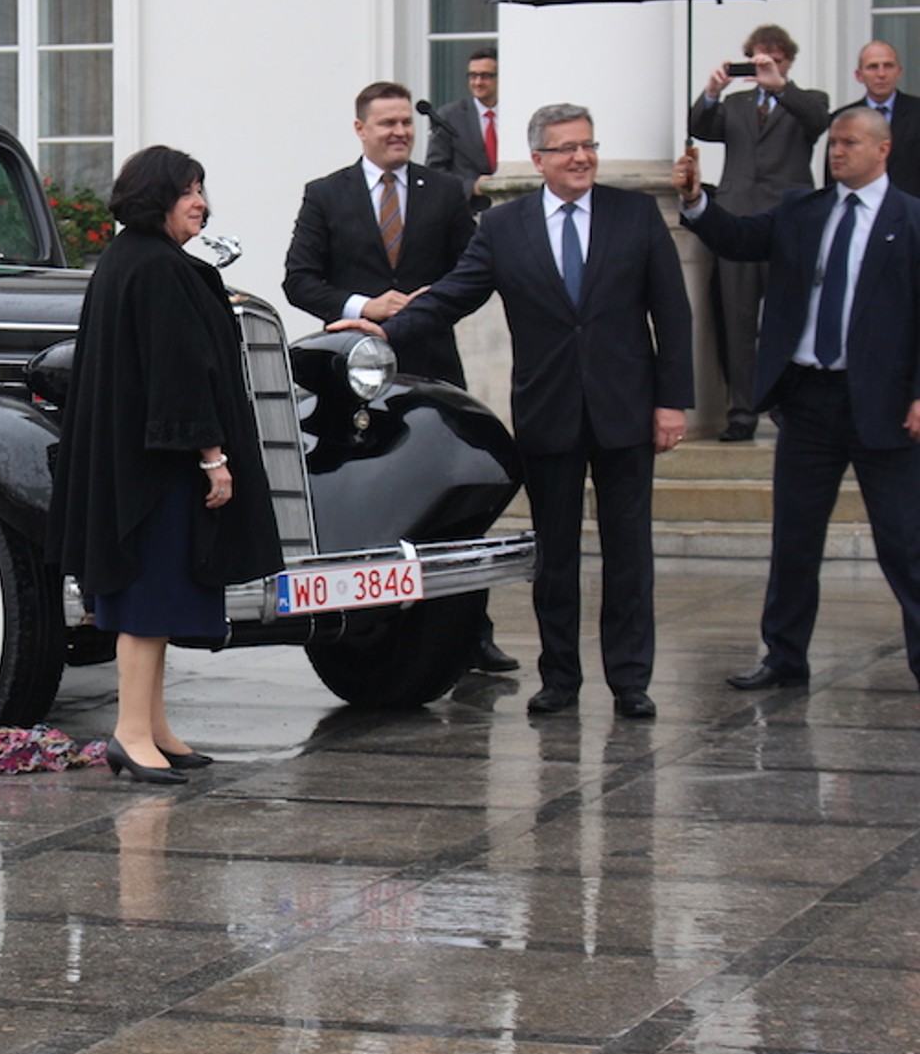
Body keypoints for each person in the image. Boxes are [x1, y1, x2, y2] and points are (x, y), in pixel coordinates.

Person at [331, 103, 694, 719]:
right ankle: (560, 679)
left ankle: (631, 681)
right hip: (549, 412)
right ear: (539, 159)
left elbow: (673, 313)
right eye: (567, 148)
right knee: (554, 555)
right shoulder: (504, 226)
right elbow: (453, 296)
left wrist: (672, 401)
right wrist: (383, 330)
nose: (581, 157)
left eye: (588, 145)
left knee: (629, 553)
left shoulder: (634, 215)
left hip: (626, 411)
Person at [49, 146, 282, 783]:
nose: (201, 202)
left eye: (202, 188)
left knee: (153, 594)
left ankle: (152, 727)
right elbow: (180, 373)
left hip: (135, 462)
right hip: (159, 468)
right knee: (147, 600)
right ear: (157, 197)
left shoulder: (128, 259)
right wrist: (213, 458)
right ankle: (130, 734)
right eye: (187, 191)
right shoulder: (157, 268)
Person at [673, 108, 920, 693]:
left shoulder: (910, 220)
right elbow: (737, 240)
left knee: (905, 542)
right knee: (794, 538)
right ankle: (784, 656)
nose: (838, 152)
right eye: (834, 143)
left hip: (884, 403)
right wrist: (696, 201)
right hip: (809, 398)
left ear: (882, 150)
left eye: (850, 143)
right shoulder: (802, 210)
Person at [283, 79, 517, 673]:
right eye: (387, 123)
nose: (399, 132)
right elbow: (299, 279)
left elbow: (474, 270)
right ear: (360, 129)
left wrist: (424, 306)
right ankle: (358, 619)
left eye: (406, 123)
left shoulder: (444, 193)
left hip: (432, 368)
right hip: (350, 375)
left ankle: (471, 633)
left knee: (453, 499)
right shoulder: (326, 194)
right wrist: (365, 306)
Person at [689, 25, 829, 442]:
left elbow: (817, 122)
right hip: (738, 219)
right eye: (758, 59)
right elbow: (700, 126)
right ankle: (742, 410)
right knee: (738, 318)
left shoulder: (808, 99)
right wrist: (712, 92)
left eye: (776, 59)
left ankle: (787, 402)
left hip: (789, 221)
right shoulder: (736, 104)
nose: (766, 66)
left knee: (790, 315)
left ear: (789, 61)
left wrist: (779, 86)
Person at [830, 42, 920, 198]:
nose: (881, 74)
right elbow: (834, 174)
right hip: (858, 205)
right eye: (873, 67)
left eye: (888, 66)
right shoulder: (843, 118)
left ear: (899, 72)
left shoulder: (917, 112)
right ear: (859, 75)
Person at [426, 46, 501, 203]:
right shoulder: (449, 116)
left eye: (485, 76)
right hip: (468, 208)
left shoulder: (515, 115)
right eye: (473, 76)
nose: (478, 82)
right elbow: (435, 170)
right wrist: (472, 187)